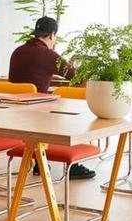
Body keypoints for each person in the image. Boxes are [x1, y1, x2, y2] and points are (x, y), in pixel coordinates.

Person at [8, 16, 94, 180]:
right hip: (39, 112)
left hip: (16, 111)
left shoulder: (18, 51)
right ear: (52, 35)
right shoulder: (47, 54)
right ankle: (72, 166)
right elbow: (76, 78)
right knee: (72, 115)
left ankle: (40, 162)